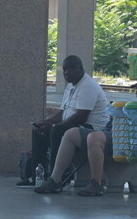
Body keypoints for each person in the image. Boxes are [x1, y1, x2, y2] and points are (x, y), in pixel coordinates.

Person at [36, 77, 137, 195]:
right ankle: (55, 180)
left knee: (94, 137)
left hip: (127, 138)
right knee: (70, 133)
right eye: (136, 89)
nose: (136, 92)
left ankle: (96, 183)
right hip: (112, 131)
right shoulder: (133, 104)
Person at [23, 55, 109, 185]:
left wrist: (53, 127)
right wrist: (46, 122)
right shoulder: (71, 86)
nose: (66, 73)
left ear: (80, 69)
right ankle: (37, 176)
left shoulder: (87, 86)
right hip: (76, 125)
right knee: (39, 131)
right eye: (64, 69)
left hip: (91, 129)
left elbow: (81, 116)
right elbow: (63, 113)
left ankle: (56, 178)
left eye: (70, 69)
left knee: (57, 131)